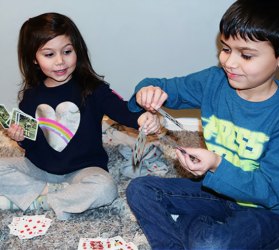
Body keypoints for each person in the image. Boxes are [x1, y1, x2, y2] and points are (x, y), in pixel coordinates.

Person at [126, 0, 279, 249]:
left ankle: (196, 230)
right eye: (226, 48)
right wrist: (147, 92)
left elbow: (271, 191)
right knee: (140, 190)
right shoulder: (214, 81)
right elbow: (161, 85)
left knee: (211, 243)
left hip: (270, 211)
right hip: (217, 193)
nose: (229, 62)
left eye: (246, 55)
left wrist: (217, 165)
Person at [0, 12, 160, 220]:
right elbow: (33, 145)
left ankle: (42, 199)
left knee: (105, 188)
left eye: (67, 51)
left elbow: (123, 111)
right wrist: (20, 139)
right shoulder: (30, 98)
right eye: (49, 54)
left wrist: (142, 118)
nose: (60, 61)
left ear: (78, 50)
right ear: (34, 58)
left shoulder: (93, 89)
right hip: (39, 169)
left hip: (84, 170)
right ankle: (53, 196)